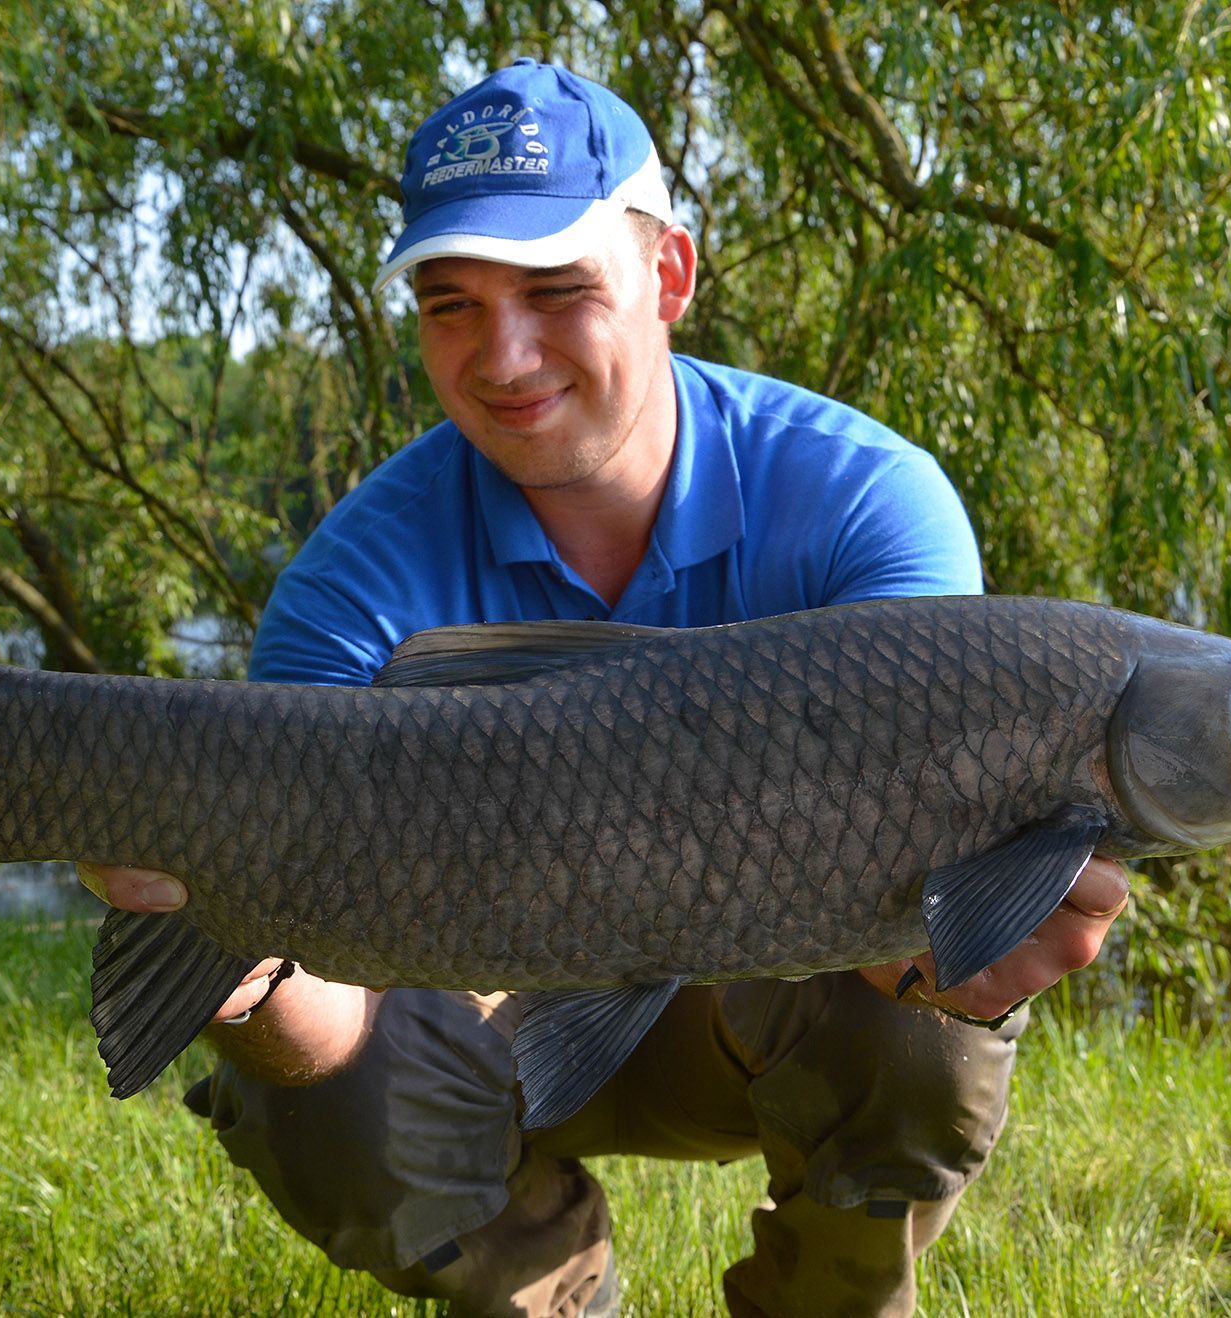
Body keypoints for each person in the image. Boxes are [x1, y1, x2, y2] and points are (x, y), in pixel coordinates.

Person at [84, 60, 1129, 1317]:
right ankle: (554, 1296)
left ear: (669, 275)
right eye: (450, 304)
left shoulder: (867, 502)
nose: (503, 356)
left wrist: (954, 948)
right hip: (473, 1021)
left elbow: (919, 889)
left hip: (766, 1008)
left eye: (557, 290)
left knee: (920, 1033)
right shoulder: (351, 585)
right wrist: (232, 973)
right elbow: (339, 1017)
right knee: (302, 1084)